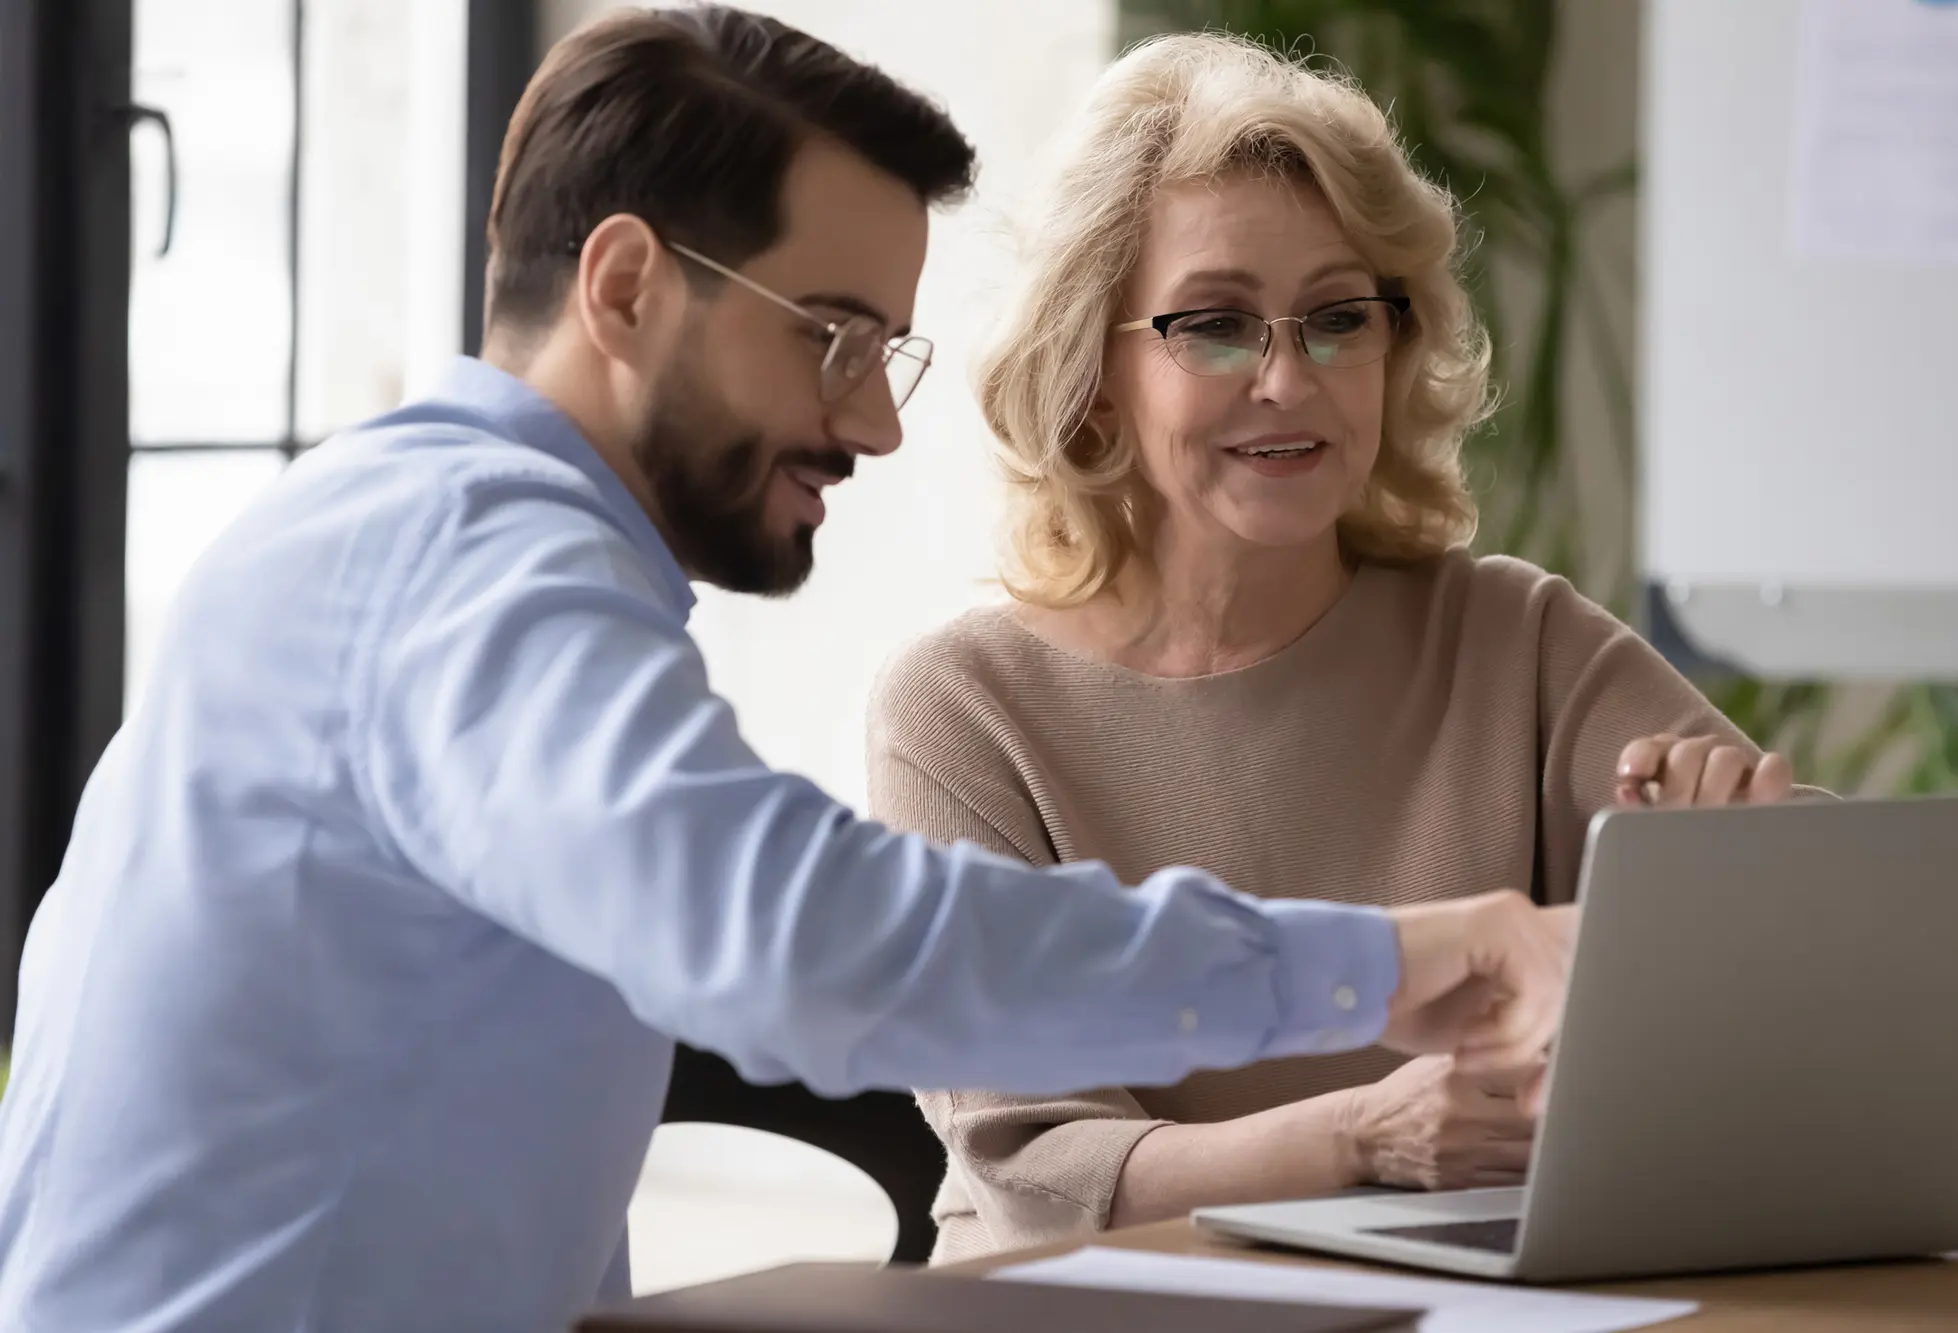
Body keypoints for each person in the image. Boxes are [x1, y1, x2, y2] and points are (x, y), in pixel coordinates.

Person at [0, 9, 1575, 1332]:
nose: (876, 423)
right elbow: (812, 945)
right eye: (828, 335)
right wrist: (1401, 960)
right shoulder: (471, 568)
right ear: (625, 289)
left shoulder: (418, 535)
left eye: (884, 350)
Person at [865, 30, 1803, 1264]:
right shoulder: (965, 708)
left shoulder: (1515, 638)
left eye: (1334, 318)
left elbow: (1847, 956)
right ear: (1092, 370)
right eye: (1214, 323)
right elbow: (1036, 1167)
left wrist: (1735, 880)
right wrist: (1364, 1136)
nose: (1286, 378)